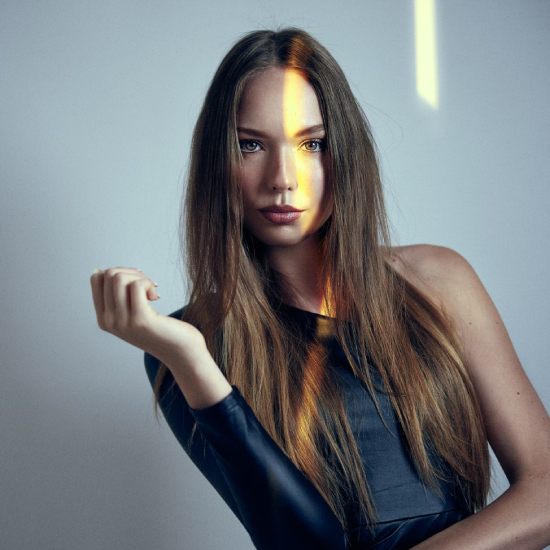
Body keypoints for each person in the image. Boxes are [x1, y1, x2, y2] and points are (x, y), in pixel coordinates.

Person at [90, 28, 550, 550]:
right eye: (250, 145)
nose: (283, 178)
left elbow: (545, 493)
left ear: (346, 152)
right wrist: (190, 359)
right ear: (218, 161)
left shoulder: (439, 280)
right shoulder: (185, 348)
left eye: (311, 144)